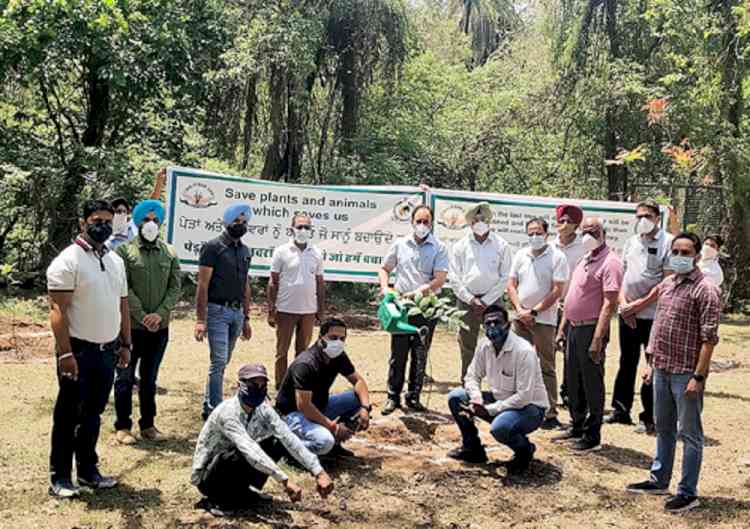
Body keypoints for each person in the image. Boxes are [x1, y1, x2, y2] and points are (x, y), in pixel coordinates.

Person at [626, 233, 721, 514]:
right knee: (663, 428)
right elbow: (658, 326)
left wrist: (699, 377)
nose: (680, 255)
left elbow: (709, 339)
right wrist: (650, 362)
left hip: (686, 374)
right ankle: (659, 479)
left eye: (686, 251)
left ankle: (687, 492)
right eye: (676, 251)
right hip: (662, 369)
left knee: (690, 434)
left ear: (696, 255)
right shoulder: (667, 284)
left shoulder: (706, 290)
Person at [46, 199, 132, 497]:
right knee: (68, 415)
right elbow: (58, 309)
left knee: (93, 414)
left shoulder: (115, 260)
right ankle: (60, 478)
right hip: (78, 352)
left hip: (107, 350)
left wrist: (125, 343)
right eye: (97, 220)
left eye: (108, 221)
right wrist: (66, 353)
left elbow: (122, 304)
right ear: (83, 222)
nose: (103, 226)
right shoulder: (67, 261)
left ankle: (88, 471)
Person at [192, 364, 333, 516]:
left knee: (276, 442)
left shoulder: (263, 409)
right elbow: (250, 450)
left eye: (262, 385)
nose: (258, 388)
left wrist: (318, 471)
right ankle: (217, 499)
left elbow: (288, 437)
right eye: (253, 384)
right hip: (209, 476)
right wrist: (284, 481)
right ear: (239, 385)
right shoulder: (227, 413)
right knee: (238, 453)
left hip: (237, 461)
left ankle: (242, 491)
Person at [447, 305, 548, 474]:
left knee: (500, 428)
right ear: (483, 326)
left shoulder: (523, 351)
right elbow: (471, 376)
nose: (492, 327)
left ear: (507, 325)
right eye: (488, 323)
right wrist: (477, 399)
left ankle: (524, 451)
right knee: (456, 397)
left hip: (530, 408)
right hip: (499, 401)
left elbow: (523, 396)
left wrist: (488, 409)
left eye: (497, 322)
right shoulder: (484, 345)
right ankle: (472, 449)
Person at [114, 200, 181, 444]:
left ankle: (148, 425)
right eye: (146, 219)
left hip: (159, 329)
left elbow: (175, 287)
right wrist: (142, 315)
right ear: (137, 221)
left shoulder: (170, 252)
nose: (150, 224)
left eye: (155, 220)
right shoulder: (124, 252)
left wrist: (160, 313)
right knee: (124, 378)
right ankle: (122, 426)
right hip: (129, 328)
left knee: (149, 380)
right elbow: (123, 287)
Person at [554, 218, 623, 452]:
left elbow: (609, 303)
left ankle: (592, 435)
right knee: (573, 380)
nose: (588, 235)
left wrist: (597, 338)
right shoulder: (584, 258)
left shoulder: (610, 262)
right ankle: (577, 424)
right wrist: (562, 327)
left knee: (591, 381)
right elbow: (570, 297)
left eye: (593, 231)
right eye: (584, 231)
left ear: (603, 233)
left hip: (590, 328)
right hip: (573, 326)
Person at [609, 201, 673, 434]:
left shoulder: (669, 242)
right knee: (627, 361)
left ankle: (649, 416)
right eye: (639, 216)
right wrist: (625, 305)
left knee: (652, 365)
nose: (642, 219)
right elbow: (624, 276)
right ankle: (620, 409)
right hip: (628, 315)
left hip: (653, 315)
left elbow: (667, 281)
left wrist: (638, 305)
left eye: (647, 215)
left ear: (657, 217)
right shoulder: (632, 242)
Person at [378, 205, 449, 414]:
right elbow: (384, 269)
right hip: (400, 308)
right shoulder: (400, 244)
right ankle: (393, 397)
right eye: (418, 221)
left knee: (420, 353)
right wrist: (385, 288)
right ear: (411, 222)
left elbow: (440, 279)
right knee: (398, 354)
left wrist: (418, 293)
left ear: (432, 223)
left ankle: (414, 397)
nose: (422, 225)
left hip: (426, 309)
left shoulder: (439, 247)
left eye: (426, 221)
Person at [275, 318, 372, 457]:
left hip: (319, 406)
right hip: (293, 414)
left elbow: (358, 381)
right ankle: (288, 449)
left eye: (342, 338)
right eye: (333, 337)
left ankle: (335, 443)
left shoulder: (338, 356)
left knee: (359, 399)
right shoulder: (306, 364)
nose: (338, 342)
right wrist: (334, 427)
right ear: (321, 337)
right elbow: (304, 406)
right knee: (324, 441)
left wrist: (365, 408)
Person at [506, 217, 568, 429]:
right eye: (530, 233)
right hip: (519, 318)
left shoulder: (557, 257)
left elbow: (557, 290)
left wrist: (534, 311)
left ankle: (550, 412)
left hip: (544, 320)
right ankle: (517, 406)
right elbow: (511, 284)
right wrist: (520, 310)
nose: (534, 237)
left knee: (546, 366)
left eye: (538, 232)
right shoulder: (521, 255)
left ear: (546, 234)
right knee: (517, 362)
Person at [195, 203, 254, 420]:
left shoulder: (246, 251)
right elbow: (202, 285)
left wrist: (246, 318)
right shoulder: (213, 247)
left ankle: (207, 406)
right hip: (216, 311)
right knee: (218, 361)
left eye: (244, 222)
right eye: (236, 221)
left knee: (222, 362)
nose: (240, 225)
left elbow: (246, 284)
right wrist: (200, 320)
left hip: (237, 314)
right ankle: (215, 412)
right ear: (227, 222)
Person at [449, 202, 512, 381]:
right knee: (467, 345)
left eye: (483, 219)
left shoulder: (502, 245)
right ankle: (468, 384)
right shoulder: (460, 245)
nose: (480, 222)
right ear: (469, 223)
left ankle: (500, 385)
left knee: (499, 343)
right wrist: (471, 299)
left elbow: (505, 276)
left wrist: (486, 300)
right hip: (466, 303)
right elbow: (454, 277)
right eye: (475, 219)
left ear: (489, 221)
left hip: (494, 303)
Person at [268, 213, 326, 387]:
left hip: (308, 311)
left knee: (303, 353)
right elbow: (273, 282)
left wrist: (320, 309)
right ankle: (281, 387)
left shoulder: (316, 252)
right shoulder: (281, 251)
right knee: (282, 352)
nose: (303, 230)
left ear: (311, 230)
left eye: (307, 227)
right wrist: (271, 310)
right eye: (299, 226)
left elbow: (320, 282)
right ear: (292, 229)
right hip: (285, 310)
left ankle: (298, 386)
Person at [553, 204, 586, 408]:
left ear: (576, 225)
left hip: (572, 307)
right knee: (548, 351)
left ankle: (568, 392)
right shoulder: (550, 245)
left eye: (569, 222)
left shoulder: (583, 247)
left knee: (570, 354)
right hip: (550, 305)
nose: (564, 225)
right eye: (561, 221)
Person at [106, 168, 168, 250]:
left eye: (124, 211)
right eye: (118, 211)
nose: (122, 214)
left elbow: (149, 205)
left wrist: (159, 181)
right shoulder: (103, 235)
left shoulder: (132, 228)